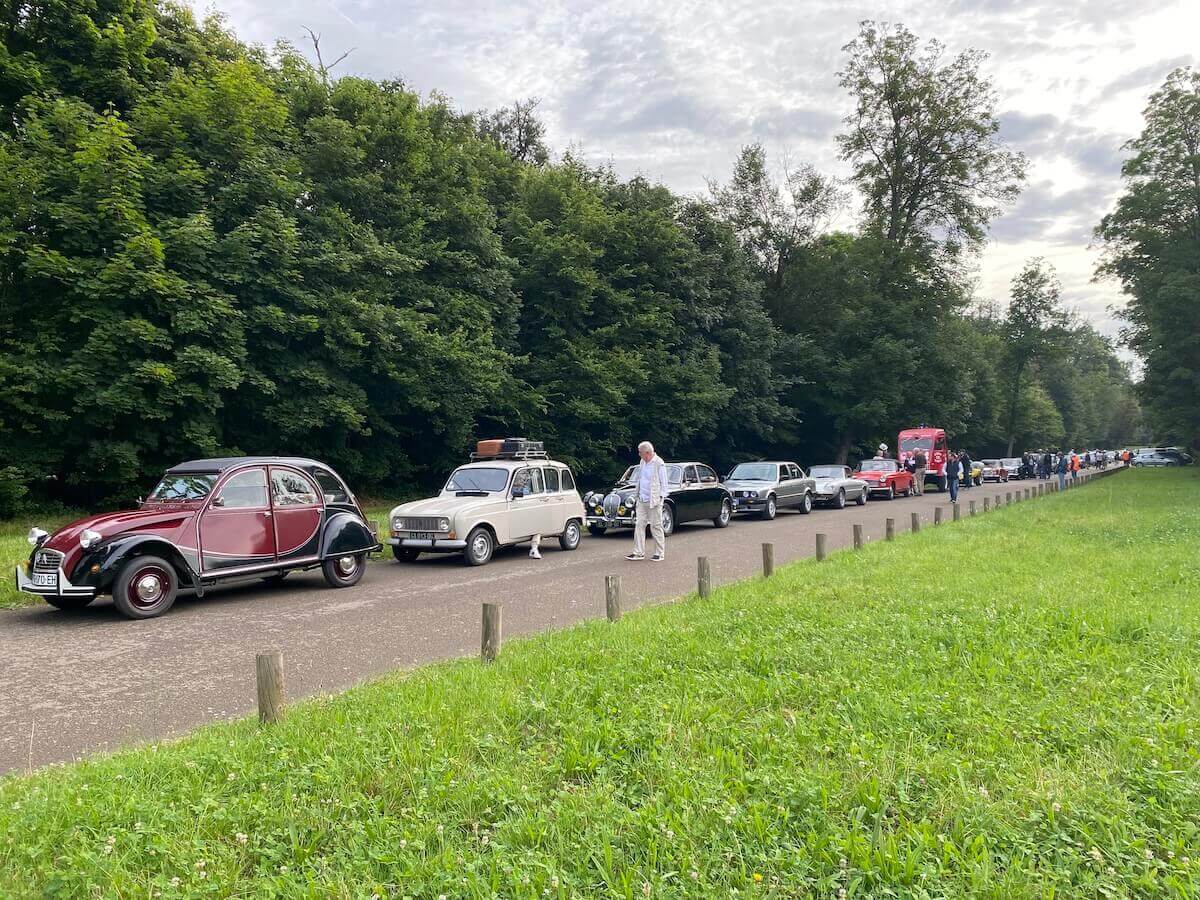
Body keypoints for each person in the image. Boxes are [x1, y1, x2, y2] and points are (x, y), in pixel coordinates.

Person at [627, 441, 670, 562]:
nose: (639, 454)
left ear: (647, 453)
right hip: (642, 499)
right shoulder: (642, 462)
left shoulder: (659, 463)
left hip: (654, 500)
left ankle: (659, 553)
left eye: (640, 452)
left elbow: (664, 483)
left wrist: (661, 498)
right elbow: (641, 479)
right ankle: (638, 552)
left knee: (656, 526)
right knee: (639, 525)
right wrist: (638, 494)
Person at [511, 469, 544, 559]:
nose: (522, 480)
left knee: (536, 527)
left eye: (524, 479)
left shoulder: (526, 488)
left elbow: (527, 495)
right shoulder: (511, 484)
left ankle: (534, 549)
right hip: (515, 510)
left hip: (525, 510)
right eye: (520, 479)